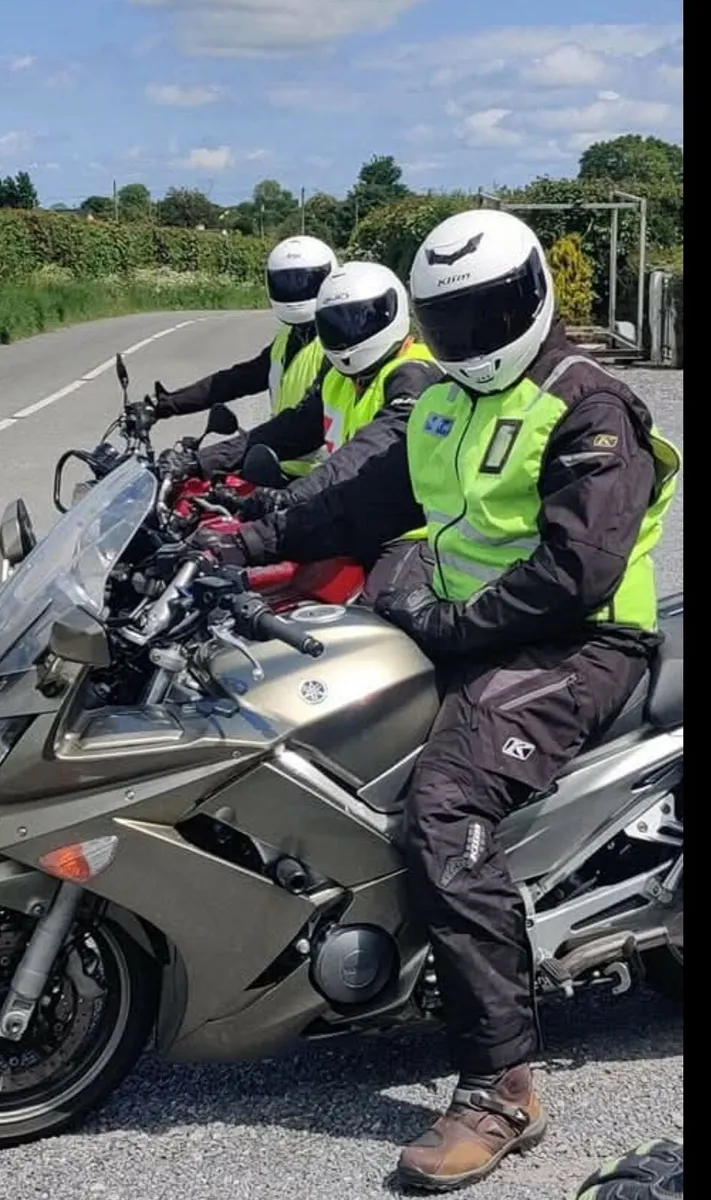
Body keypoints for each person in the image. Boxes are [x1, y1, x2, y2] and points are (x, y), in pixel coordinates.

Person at [193, 208, 681, 1191]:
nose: (466, 336)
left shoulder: (589, 408)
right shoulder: (447, 401)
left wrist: (446, 623)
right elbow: (356, 500)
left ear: (532, 298)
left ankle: (501, 1086)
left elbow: (576, 571)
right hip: (468, 628)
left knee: (446, 808)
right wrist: (235, 543)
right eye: (447, 319)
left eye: (485, 315)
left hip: (576, 645)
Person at [190, 262, 443, 600]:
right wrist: (200, 461)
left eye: (361, 319)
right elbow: (288, 429)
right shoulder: (339, 378)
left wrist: (295, 495)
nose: (348, 332)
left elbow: (372, 448)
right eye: (336, 323)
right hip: (348, 513)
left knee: (377, 615)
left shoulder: (414, 372)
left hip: (410, 531)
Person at [153, 235, 338, 479]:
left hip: (318, 480)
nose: (295, 290)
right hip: (274, 466)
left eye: (306, 281)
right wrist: (164, 405)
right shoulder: (289, 336)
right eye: (285, 283)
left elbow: (303, 427)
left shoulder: (337, 348)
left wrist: (202, 460)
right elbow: (238, 379)